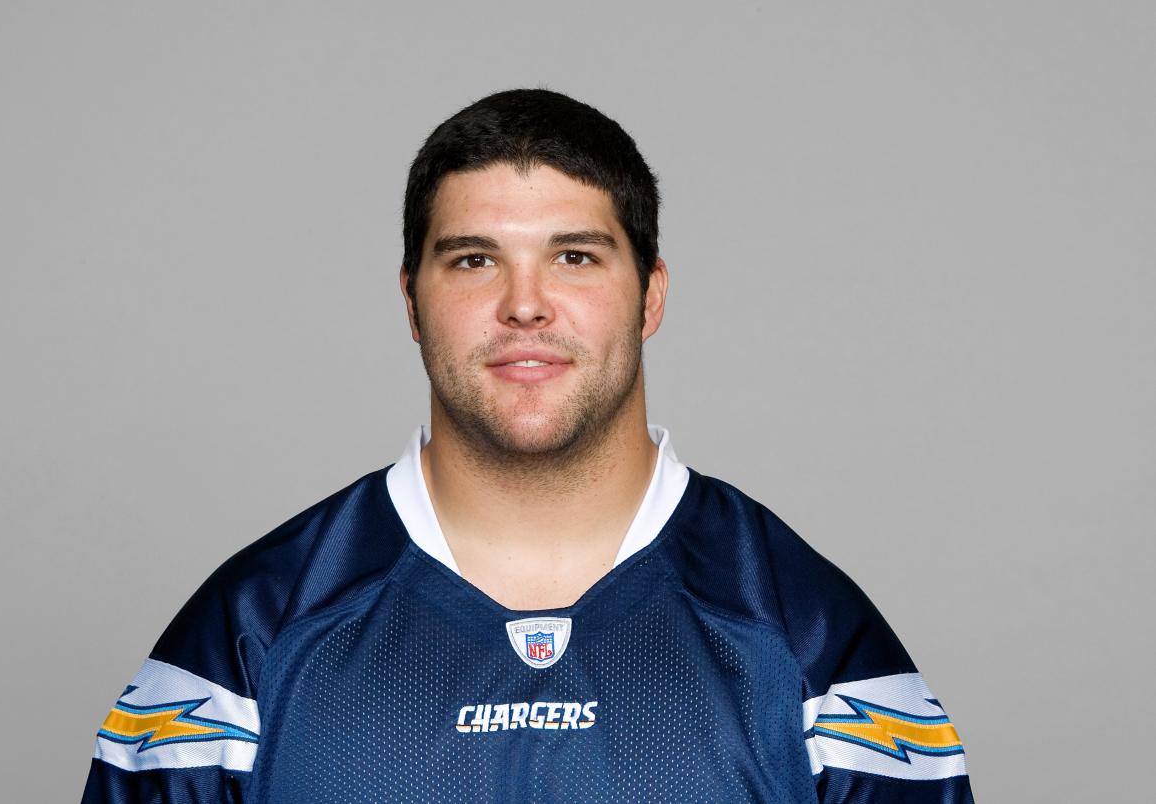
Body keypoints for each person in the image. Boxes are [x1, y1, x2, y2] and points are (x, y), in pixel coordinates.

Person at [81, 89, 974, 803]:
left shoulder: (806, 635)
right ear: (411, 300)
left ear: (650, 296)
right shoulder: (251, 638)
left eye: (575, 257)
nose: (525, 304)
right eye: (473, 260)